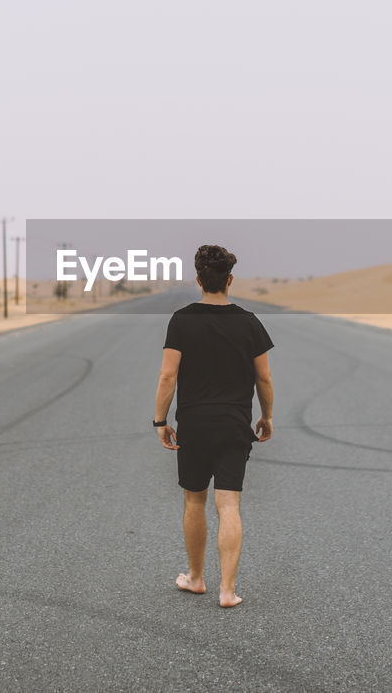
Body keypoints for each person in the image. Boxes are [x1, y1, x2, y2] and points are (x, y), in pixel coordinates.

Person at [152, 244, 274, 608]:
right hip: (235, 424)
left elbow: (167, 375)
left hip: (194, 424)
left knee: (194, 500)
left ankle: (195, 578)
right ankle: (228, 590)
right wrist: (266, 415)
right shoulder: (249, 322)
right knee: (229, 504)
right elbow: (264, 379)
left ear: (199, 280)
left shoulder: (182, 320)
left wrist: (161, 420)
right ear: (230, 279)